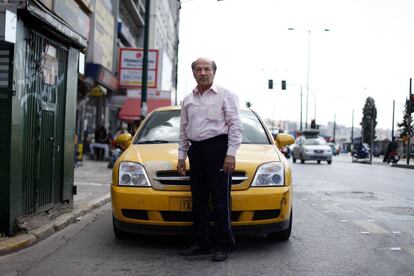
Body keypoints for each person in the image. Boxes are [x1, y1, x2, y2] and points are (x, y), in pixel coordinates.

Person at [177, 57, 242, 262]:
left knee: (220, 200)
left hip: (218, 149)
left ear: (214, 72)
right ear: (193, 73)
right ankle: (201, 243)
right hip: (196, 151)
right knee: (199, 199)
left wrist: (230, 153)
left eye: (207, 69)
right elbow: (183, 130)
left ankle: (223, 244)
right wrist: (182, 156)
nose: (203, 72)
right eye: (198, 69)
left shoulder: (225, 95)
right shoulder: (188, 100)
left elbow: (235, 126)